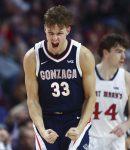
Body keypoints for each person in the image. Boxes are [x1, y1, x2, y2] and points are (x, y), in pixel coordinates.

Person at [23, 5, 96, 150]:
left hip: (75, 118)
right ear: (44, 29)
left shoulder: (83, 55)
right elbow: (32, 99)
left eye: (59, 33)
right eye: (51, 33)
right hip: (47, 119)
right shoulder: (32, 57)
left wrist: (80, 127)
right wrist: (42, 130)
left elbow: (91, 97)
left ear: (68, 30)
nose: (55, 38)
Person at [89, 33, 130, 150]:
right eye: (118, 51)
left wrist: (126, 125)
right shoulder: (88, 76)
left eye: (124, 52)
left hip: (115, 139)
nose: (123, 56)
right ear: (106, 53)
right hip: (90, 137)